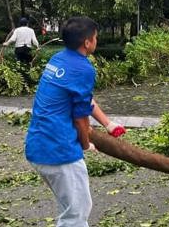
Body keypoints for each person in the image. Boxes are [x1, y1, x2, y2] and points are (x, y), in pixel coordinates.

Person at [25, 16, 124, 227]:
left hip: (37, 146)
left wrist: (108, 124)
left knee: (69, 208)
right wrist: (86, 145)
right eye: (95, 38)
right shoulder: (83, 69)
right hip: (59, 151)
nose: (96, 41)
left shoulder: (58, 59)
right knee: (77, 214)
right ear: (87, 42)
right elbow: (80, 118)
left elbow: (83, 100)